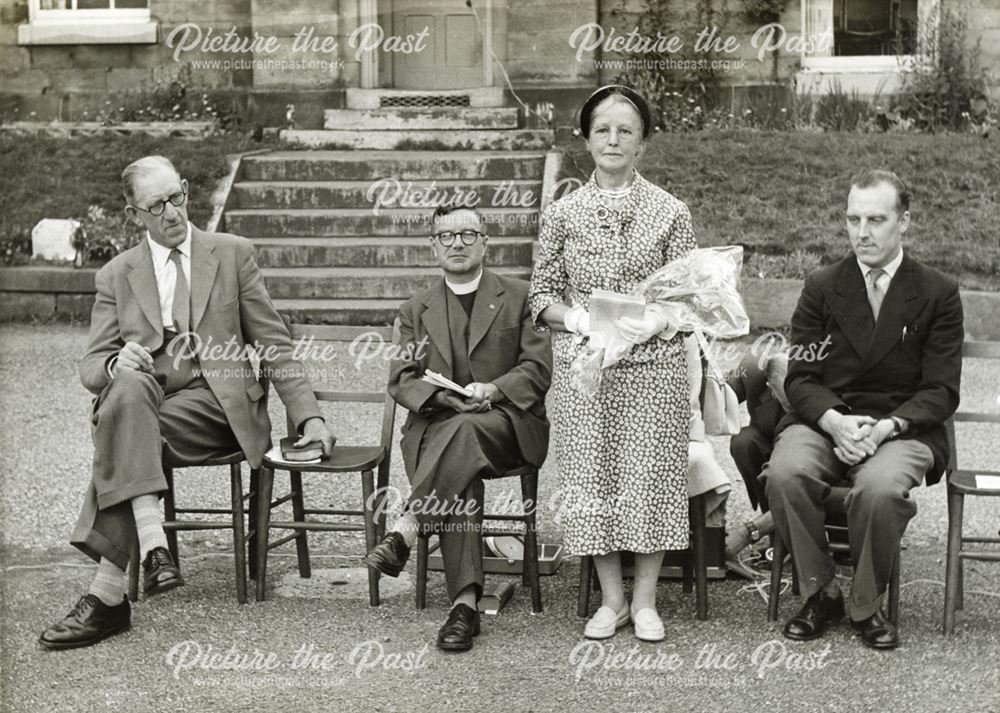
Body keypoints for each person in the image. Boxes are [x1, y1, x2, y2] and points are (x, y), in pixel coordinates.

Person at [39, 156, 334, 650]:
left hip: (219, 408)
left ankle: (112, 592)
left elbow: (274, 342)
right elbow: (92, 367)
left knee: (119, 427)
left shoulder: (233, 253)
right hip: (151, 405)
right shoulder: (117, 275)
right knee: (126, 390)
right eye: (158, 206)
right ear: (135, 215)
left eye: (178, 197)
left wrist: (311, 415)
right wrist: (117, 364)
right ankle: (146, 554)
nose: (174, 212)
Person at [760, 169, 963, 649]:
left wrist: (887, 427)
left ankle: (865, 604)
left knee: (879, 489)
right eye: (853, 219)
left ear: (904, 221)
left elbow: (941, 390)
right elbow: (801, 377)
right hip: (828, 419)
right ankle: (820, 592)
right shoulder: (822, 285)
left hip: (902, 426)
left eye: (876, 219)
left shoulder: (937, 292)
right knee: (785, 473)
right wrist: (833, 420)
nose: (862, 232)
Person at [529, 85, 696, 642]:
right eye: (603, 129)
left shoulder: (671, 212)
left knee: (649, 476)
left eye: (626, 130)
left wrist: (651, 321)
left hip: (653, 365)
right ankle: (612, 599)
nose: (613, 139)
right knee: (592, 477)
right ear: (586, 137)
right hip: (587, 368)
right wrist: (578, 321)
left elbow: (689, 297)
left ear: (642, 140)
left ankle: (647, 601)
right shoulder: (563, 213)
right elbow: (541, 297)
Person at [363, 206, 551, 653]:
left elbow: (538, 368)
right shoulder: (416, 309)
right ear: (433, 247)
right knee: (461, 456)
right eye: (446, 237)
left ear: (486, 242)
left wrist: (493, 388)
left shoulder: (520, 296)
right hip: (441, 427)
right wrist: (448, 398)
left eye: (468, 234)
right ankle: (464, 607)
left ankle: (408, 527)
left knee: (466, 432)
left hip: (507, 425)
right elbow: (402, 378)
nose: (458, 244)